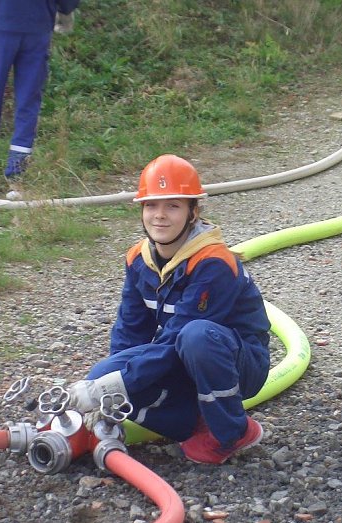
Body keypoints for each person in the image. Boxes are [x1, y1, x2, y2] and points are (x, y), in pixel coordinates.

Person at [67, 154, 271, 464]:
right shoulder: (138, 259)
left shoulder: (213, 263)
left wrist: (120, 384)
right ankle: (193, 423)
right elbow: (130, 331)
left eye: (173, 206)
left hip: (237, 362)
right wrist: (107, 392)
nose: (159, 216)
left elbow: (178, 339)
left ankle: (232, 432)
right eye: (151, 205)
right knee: (104, 375)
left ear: (193, 212)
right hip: (183, 355)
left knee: (195, 336)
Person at [0, 0, 80, 179]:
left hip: (0, 21)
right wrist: (66, 11)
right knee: (29, 96)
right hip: (37, 25)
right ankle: (17, 166)